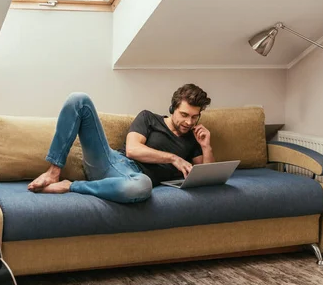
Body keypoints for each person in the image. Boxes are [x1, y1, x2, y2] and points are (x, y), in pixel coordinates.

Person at [27, 84, 215, 203]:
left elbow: (206, 177)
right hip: (112, 162)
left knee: (142, 185)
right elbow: (133, 150)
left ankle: (71, 186)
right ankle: (53, 172)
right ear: (173, 108)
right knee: (79, 99)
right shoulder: (149, 118)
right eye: (184, 115)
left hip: (133, 180)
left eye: (194, 117)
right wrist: (173, 158)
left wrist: (206, 146)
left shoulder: (192, 137)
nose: (189, 122)